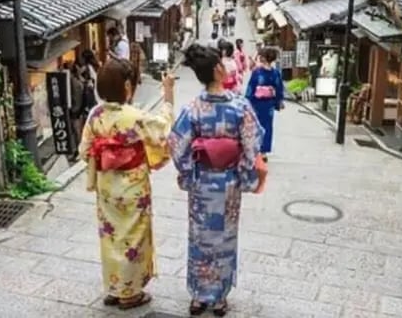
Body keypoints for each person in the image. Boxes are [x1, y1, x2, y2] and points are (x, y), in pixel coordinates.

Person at [167, 44, 264, 317]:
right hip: (229, 184)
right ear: (218, 70)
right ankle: (219, 298)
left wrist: (188, 172)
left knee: (200, 238)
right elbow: (252, 142)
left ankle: (198, 296)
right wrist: (243, 172)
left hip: (201, 184)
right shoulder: (240, 106)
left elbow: (176, 144)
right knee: (224, 239)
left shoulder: (193, 108)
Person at [78, 58, 175, 310]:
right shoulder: (134, 116)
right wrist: (168, 94)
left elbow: (84, 149)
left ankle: (114, 286)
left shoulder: (95, 115)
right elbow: (163, 131)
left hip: (107, 186)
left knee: (111, 237)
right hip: (133, 187)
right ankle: (129, 293)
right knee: (133, 236)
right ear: (127, 86)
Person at [246, 47, 284, 162]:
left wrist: (247, 101)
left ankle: (256, 150)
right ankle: (263, 152)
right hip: (269, 104)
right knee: (267, 127)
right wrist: (279, 101)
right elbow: (279, 88)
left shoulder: (257, 72)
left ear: (263, 58)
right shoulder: (276, 73)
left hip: (257, 103)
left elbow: (251, 87)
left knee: (255, 126)